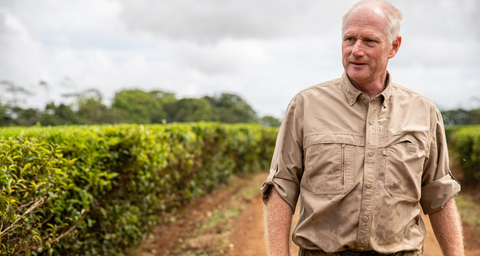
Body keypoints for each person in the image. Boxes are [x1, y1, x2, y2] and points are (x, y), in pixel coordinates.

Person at [261, 0, 464, 255]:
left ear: (394, 46)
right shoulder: (305, 106)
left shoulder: (423, 112)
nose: (356, 50)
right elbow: (282, 187)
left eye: (369, 41)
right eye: (349, 39)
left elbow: (439, 194)